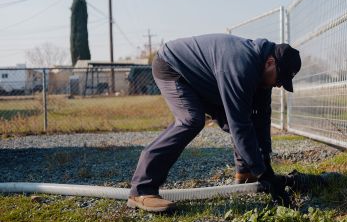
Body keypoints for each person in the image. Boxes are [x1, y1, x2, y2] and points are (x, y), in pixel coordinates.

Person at [127, 33, 301, 212]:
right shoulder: (241, 66)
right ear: (270, 63)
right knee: (191, 120)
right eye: (280, 80)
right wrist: (264, 174)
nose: (279, 85)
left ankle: (246, 173)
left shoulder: (263, 74)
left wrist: (266, 166)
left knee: (236, 118)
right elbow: (240, 124)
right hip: (172, 66)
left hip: (204, 78)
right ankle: (142, 189)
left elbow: (261, 119)